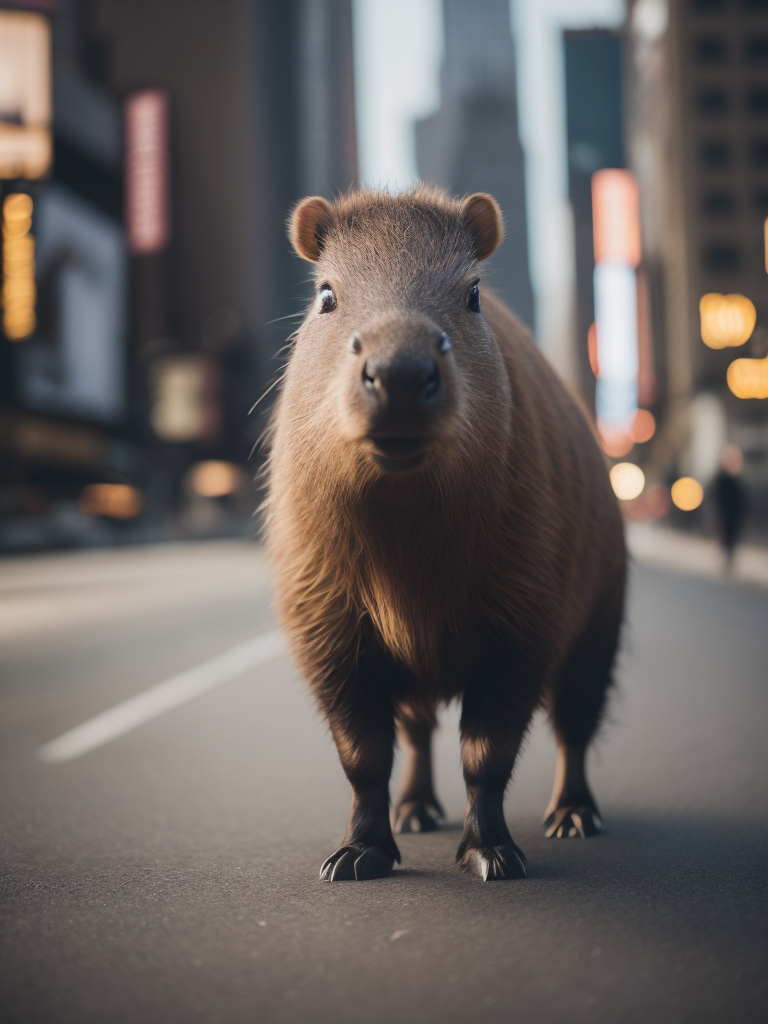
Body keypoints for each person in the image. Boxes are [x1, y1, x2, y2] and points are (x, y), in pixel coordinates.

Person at [712, 445, 748, 574]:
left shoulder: (738, 477)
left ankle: (729, 562)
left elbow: (742, 498)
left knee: (732, 539)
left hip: (736, 514)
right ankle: (725, 562)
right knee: (725, 539)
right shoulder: (721, 478)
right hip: (725, 513)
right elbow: (718, 497)